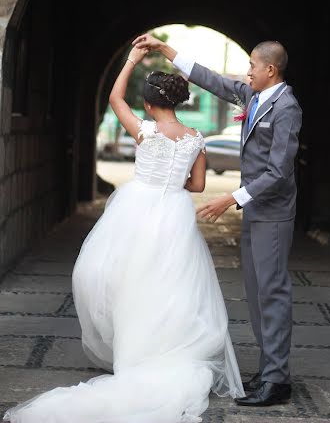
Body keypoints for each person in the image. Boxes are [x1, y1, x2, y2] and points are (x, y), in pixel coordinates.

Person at [3, 43, 244, 423]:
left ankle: (129, 350)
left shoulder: (144, 131)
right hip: (173, 211)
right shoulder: (196, 139)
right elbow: (197, 186)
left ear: (148, 105)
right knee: (171, 284)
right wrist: (174, 180)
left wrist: (131, 59)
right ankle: (163, 349)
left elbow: (115, 97)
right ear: (177, 103)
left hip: (136, 207)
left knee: (120, 277)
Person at [133, 33, 302, 408]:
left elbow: (279, 170)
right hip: (257, 211)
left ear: (269, 69)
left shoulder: (287, 108)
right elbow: (209, 78)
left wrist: (231, 197)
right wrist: (164, 49)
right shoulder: (253, 96)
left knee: (272, 292)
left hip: (272, 213)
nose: (247, 73)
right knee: (258, 294)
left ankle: (277, 380)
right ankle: (269, 369)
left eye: (252, 67)